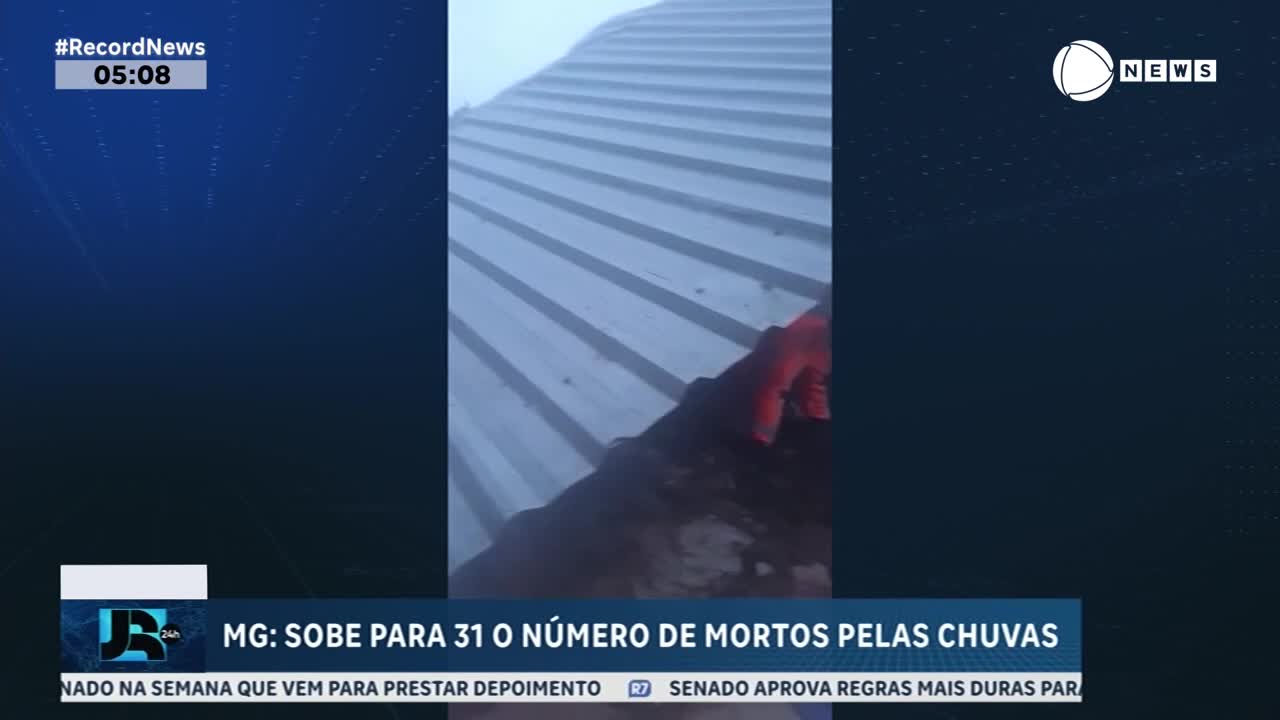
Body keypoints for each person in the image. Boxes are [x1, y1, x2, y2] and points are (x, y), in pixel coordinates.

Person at [750, 289, 832, 446]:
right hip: (822, 326)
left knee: (775, 386)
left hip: (803, 324)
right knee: (815, 379)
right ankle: (818, 419)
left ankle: (762, 437)